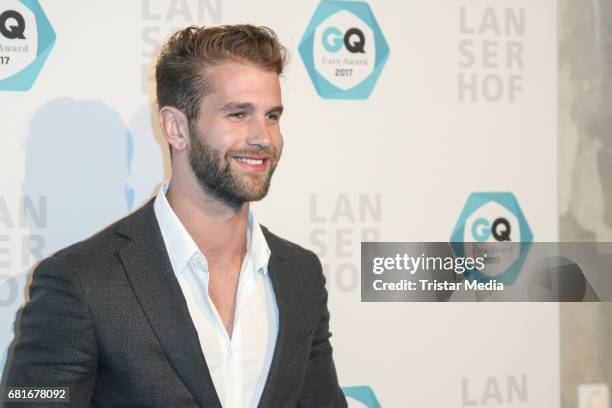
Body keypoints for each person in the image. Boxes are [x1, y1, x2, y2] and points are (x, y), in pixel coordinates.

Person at [4, 25, 347, 408]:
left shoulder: (299, 274)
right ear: (175, 128)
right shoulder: (81, 281)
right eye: (237, 114)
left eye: (272, 116)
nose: (263, 137)